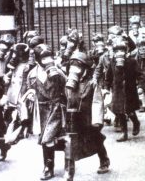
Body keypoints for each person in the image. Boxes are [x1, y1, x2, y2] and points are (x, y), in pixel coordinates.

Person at [64, 51, 110, 181]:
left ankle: (104, 160)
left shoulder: (92, 84)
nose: (75, 70)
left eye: (78, 67)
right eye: (72, 67)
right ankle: (69, 171)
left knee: (95, 139)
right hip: (73, 118)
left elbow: (97, 102)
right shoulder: (69, 83)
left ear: (84, 68)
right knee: (70, 143)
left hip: (87, 118)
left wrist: (96, 120)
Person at [26, 44, 67, 180]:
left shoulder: (59, 72)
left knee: (51, 137)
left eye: (49, 57)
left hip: (56, 107)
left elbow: (67, 89)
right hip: (42, 109)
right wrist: (30, 96)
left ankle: (63, 165)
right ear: (37, 60)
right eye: (44, 58)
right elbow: (28, 89)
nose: (47, 60)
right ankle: (49, 166)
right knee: (46, 140)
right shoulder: (32, 74)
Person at [103, 34, 143, 142]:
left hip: (130, 90)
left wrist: (140, 86)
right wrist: (106, 88)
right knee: (119, 111)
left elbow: (140, 75)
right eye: (116, 51)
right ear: (114, 52)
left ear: (126, 52)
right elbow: (108, 76)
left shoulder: (132, 62)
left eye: (121, 50)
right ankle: (124, 133)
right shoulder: (112, 62)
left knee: (129, 111)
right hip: (117, 90)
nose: (119, 53)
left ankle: (135, 122)